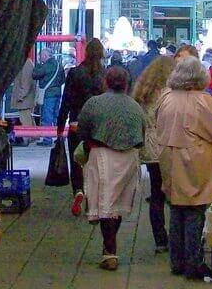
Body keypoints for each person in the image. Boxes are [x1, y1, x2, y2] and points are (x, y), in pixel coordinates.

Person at [154, 56, 212, 280]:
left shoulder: (166, 98)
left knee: (176, 209)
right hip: (195, 160)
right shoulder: (202, 100)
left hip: (169, 158)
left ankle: (176, 261)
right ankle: (194, 264)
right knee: (195, 210)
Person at [77, 66, 146, 271]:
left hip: (102, 154)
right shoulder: (135, 107)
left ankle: (110, 251)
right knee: (117, 205)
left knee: (106, 203)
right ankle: (109, 247)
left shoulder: (94, 103)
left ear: (105, 82)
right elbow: (141, 134)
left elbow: (82, 129)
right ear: (127, 84)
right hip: (129, 158)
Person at [57, 38, 106, 216]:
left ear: (86, 52)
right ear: (101, 54)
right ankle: (92, 200)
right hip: (97, 126)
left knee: (77, 161)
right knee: (94, 163)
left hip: (77, 124)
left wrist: (60, 125)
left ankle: (78, 190)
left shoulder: (75, 72)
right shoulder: (104, 74)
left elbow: (66, 100)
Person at [132, 55, 175, 254]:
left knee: (156, 194)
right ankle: (177, 237)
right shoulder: (170, 94)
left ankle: (160, 240)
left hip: (150, 148)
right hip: (168, 146)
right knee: (174, 194)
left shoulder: (143, 93)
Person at [32, 48, 65, 147]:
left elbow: (35, 75)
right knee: (55, 116)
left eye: (40, 56)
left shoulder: (46, 66)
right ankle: (58, 137)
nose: (40, 58)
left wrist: (37, 65)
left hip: (48, 95)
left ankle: (47, 139)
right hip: (57, 93)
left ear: (45, 56)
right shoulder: (59, 65)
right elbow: (63, 79)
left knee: (47, 117)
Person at [9, 55, 36, 144]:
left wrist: (21, 96)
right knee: (28, 116)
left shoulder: (25, 64)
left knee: (25, 118)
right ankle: (33, 136)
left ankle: (27, 138)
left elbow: (26, 82)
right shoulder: (27, 63)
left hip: (24, 98)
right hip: (26, 97)